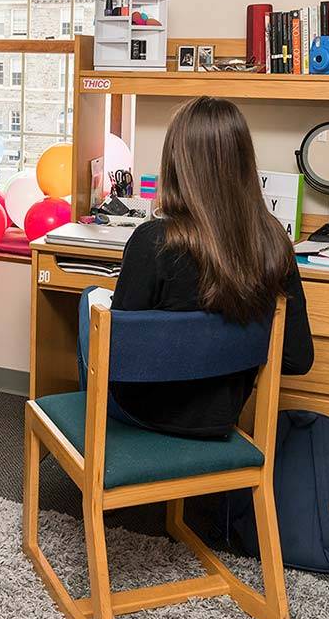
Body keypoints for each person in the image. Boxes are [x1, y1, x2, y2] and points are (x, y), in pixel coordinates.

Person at [108, 96, 314, 438]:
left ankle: (105, 448)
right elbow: (297, 358)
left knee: (92, 312)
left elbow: (118, 357)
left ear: (176, 163)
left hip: (146, 415)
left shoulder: (154, 241)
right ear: (244, 163)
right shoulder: (274, 241)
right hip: (221, 418)